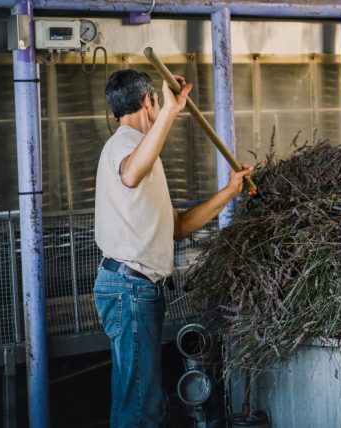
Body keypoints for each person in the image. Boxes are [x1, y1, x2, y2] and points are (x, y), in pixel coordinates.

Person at [93, 69, 252, 427]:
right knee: (142, 408)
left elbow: (177, 227)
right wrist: (171, 109)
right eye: (156, 103)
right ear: (148, 101)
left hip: (134, 290)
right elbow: (131, 174)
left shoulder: (139, 152)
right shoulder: (125, 144)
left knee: (140, 401)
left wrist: (229, 191)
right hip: (129, 289)